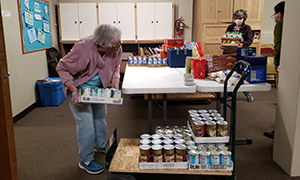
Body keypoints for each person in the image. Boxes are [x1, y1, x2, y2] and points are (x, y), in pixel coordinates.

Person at [56, 24, 122, 174]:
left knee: (100, 118)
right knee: (86, 124)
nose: (119, 43)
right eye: (116, 42)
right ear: (103, 44)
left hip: (98, 89)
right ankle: (85, 160)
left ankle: (99, 146)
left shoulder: (116, 47)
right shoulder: (83, 48)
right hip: (79, 88)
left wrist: (115, 85)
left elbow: (116, 67)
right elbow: (61, 67)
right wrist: (73, 90)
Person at [220, 9, 254, 102]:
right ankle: (229, 95)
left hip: (240, 54)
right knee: (229, 74)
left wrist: (243, 44)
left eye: (240, 18)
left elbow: (250, 40)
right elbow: (225, 38)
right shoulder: (230, 27)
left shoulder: (247, 28)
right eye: (236, 18)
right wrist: (223, 45)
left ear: (244, 18)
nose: (238, 19)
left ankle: (247, 93)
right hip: (229, 53)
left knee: (239, 74)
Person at [264, 1, 285, 139]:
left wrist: (276, 62)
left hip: (286, 63)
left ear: (280, 13)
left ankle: (279, 132)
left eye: (275, 14)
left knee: (284, 98)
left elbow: (277, 45)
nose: (275, 17)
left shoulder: (280, 25)